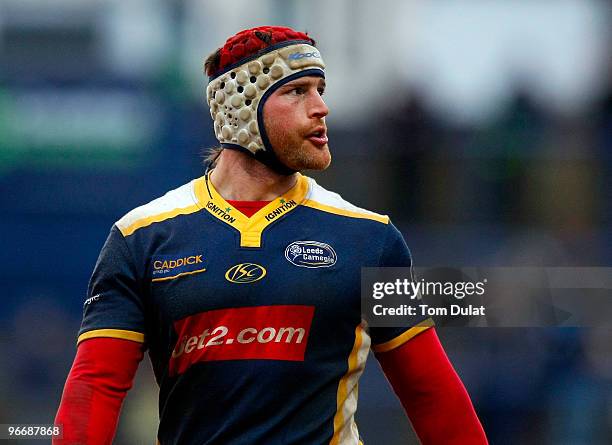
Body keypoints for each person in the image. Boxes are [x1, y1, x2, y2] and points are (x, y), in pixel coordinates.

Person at [54, 26, 487, 444]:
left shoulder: (371, 238)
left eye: (321, 90)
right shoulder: (139, 238)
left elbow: (431, 394)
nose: (321, 108)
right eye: (298, 91)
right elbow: (94, 388)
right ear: (241, 110)